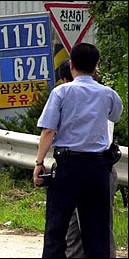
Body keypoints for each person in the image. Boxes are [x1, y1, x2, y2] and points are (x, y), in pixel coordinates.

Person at [33, 43, 123, 258]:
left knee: (56, 229)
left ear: (71, 65)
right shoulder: (108, 94)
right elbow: (115, 116)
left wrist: (39, 163)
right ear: (96, 67)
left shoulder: (61, 92)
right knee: (97, 232)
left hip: (68, 166)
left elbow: (48, 131)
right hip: (98, 168)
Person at [59, 61, 118, 258]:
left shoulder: (73, 97)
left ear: (67, 79)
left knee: (81, 229)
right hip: (102, 167)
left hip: (85, 166)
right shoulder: (104, 96)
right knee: (95, 228)